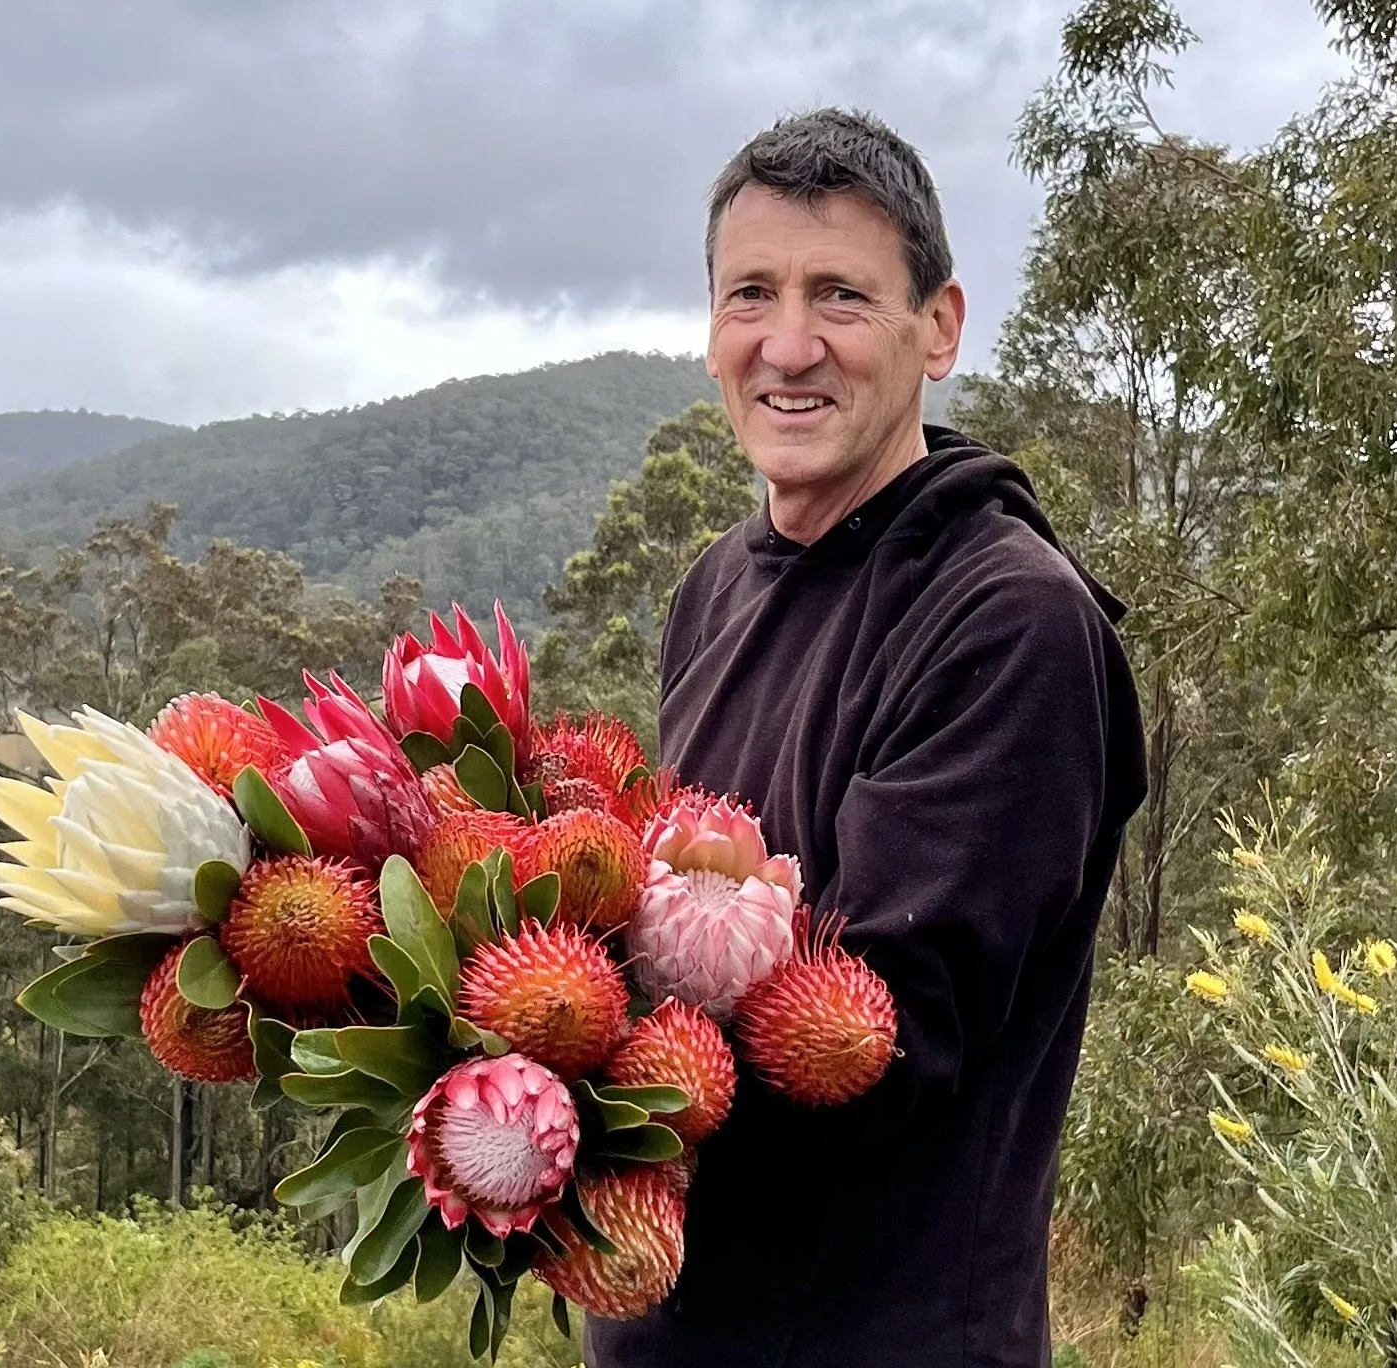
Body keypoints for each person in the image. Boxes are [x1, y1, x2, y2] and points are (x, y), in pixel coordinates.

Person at [585, 109, 1149, 1368]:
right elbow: (681, 920)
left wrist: (543, 1059)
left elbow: (875, 1046)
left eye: (841, 294)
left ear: (936, 327)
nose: (789, 345)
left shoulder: (1009, 623)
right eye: (752, 295)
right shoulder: (716, 588)